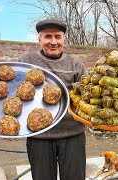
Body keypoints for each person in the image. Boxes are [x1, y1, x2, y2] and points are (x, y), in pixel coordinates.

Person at [18, 19, 87, 180]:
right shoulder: (26, 61)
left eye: (58, 37)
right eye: (48, 37)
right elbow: (14, 90)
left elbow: (87, 95)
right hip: (39, 136)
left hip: (72, 134)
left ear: (64, 40)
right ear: (40, 40)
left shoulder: (75, 64)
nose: (53, 42)